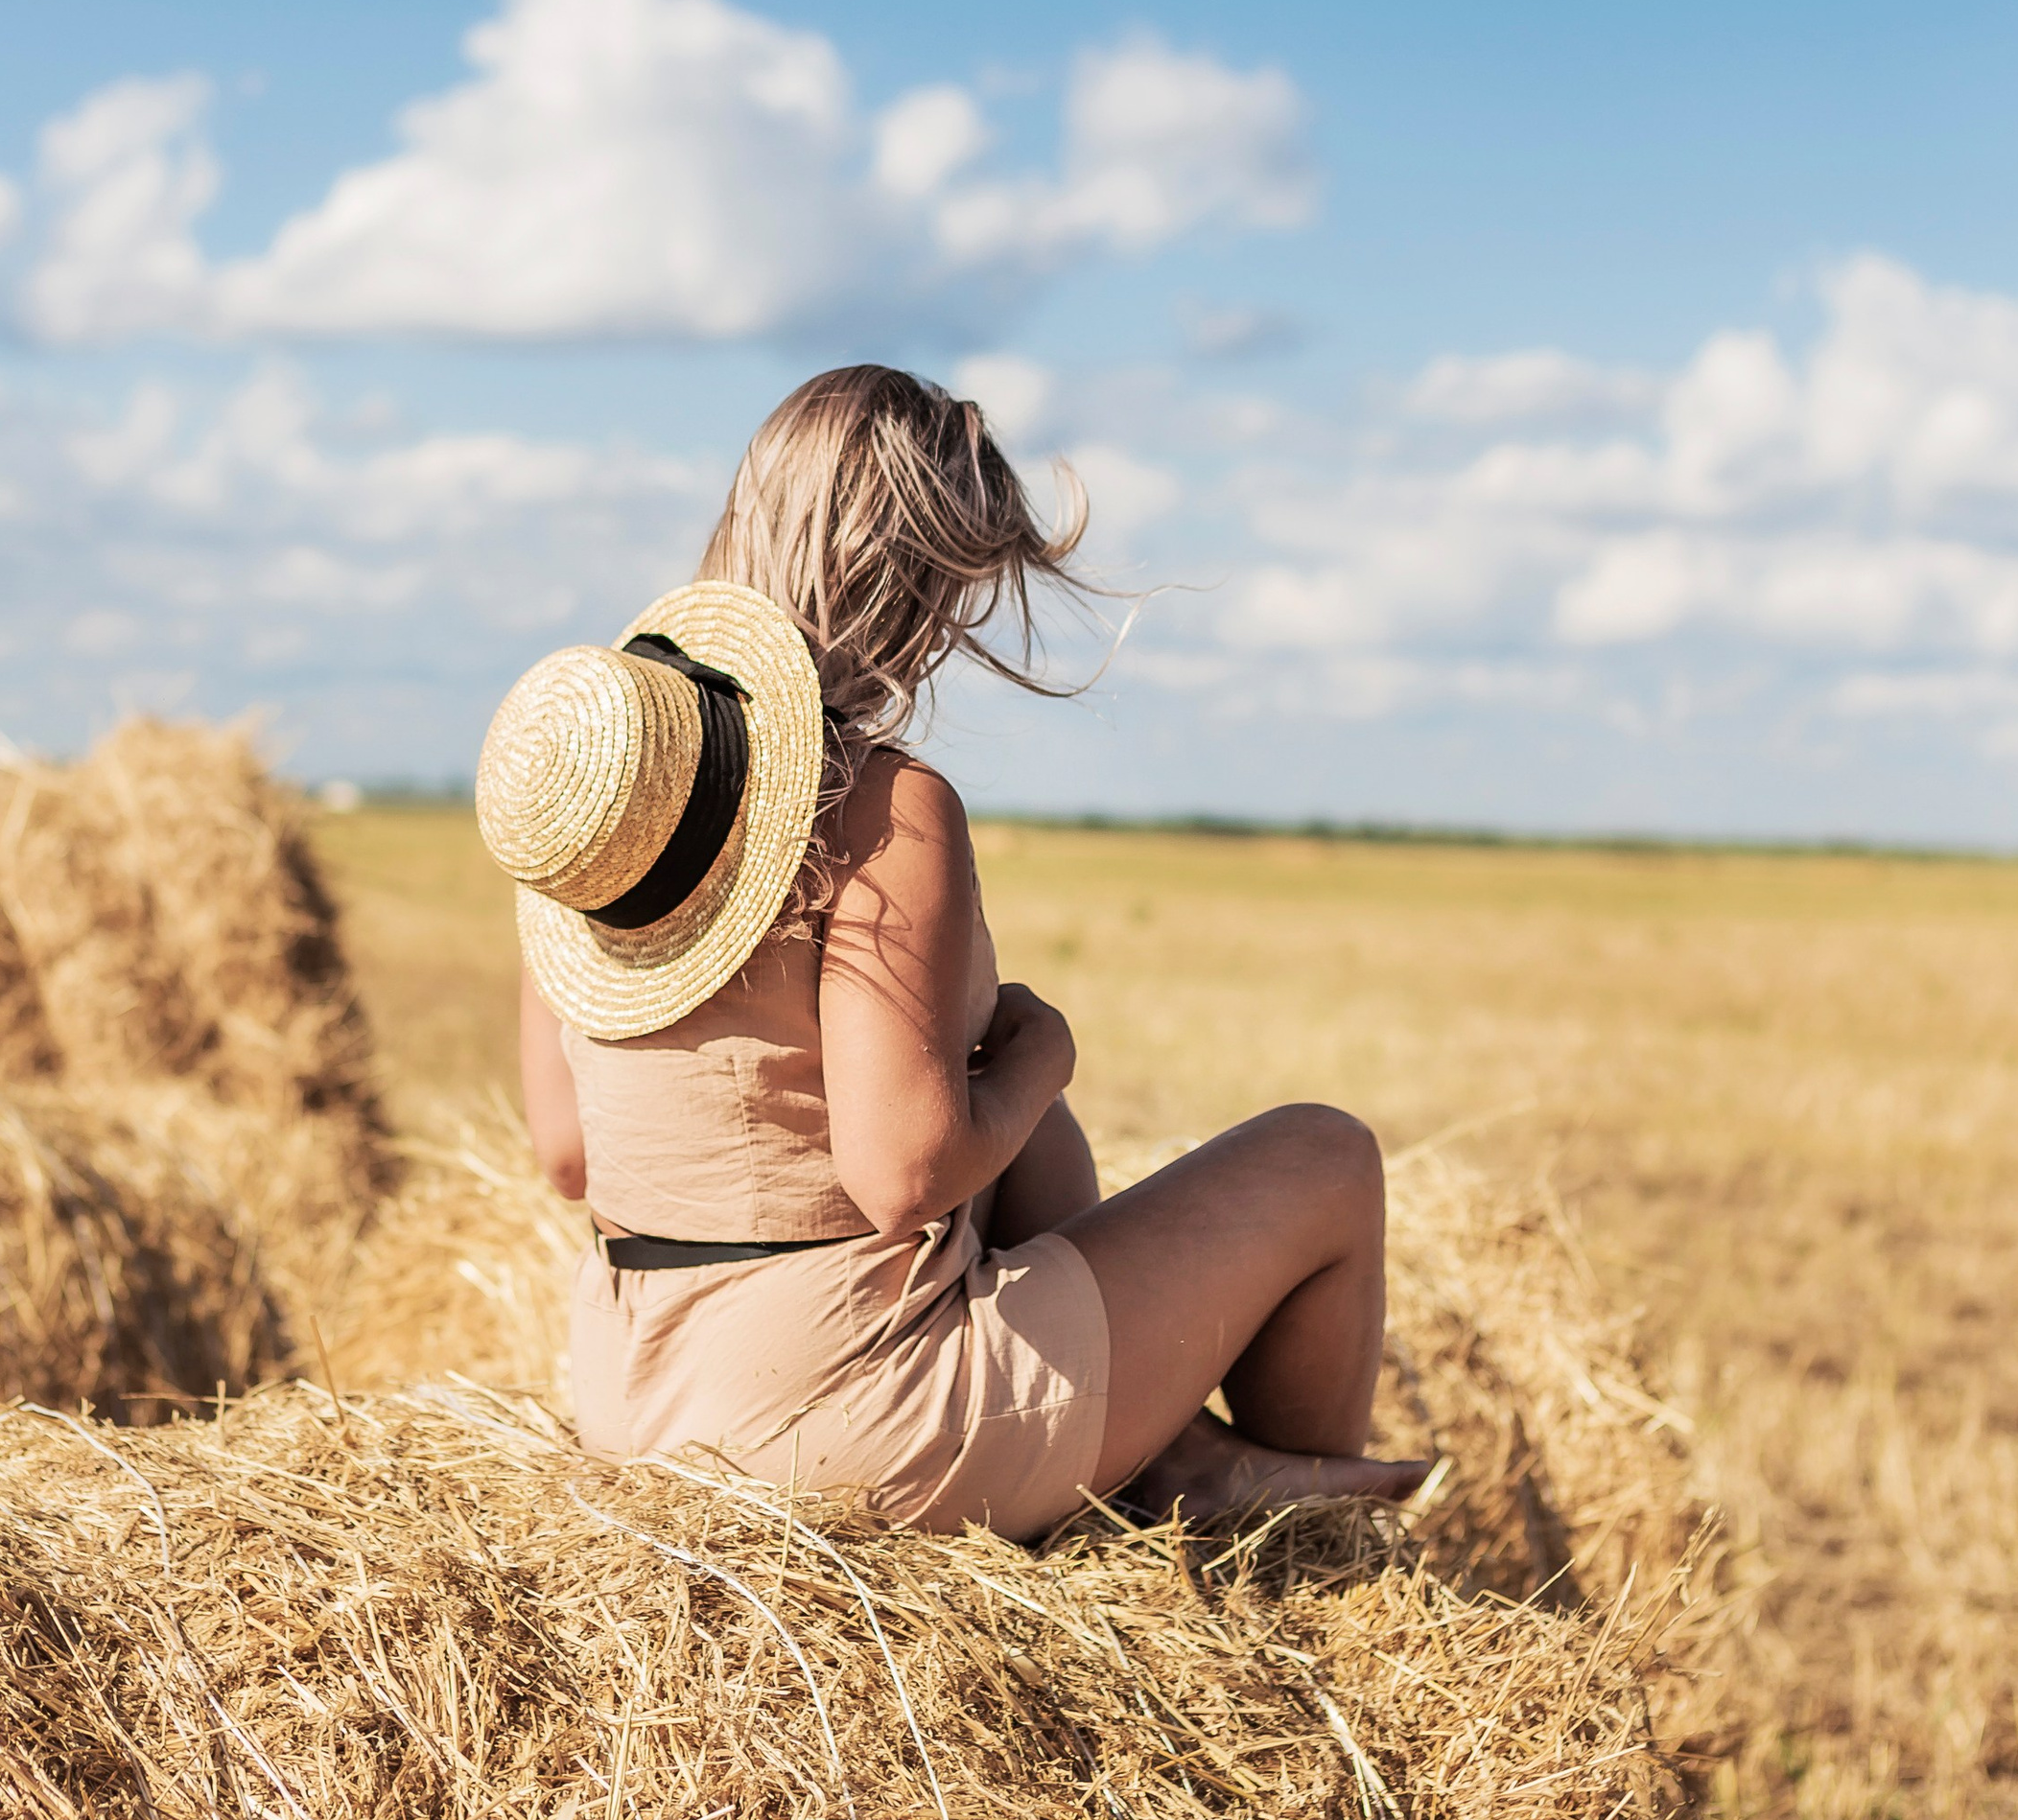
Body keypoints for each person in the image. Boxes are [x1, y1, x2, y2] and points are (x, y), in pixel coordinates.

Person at [478, 363, 1428, 1539]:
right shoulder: (880, 803)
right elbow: (901, 1170)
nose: (946, 635)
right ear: (910, 580)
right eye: (953, 594)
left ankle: (1178, 1450)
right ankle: (1300, 1561)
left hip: (633, 1392)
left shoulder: (602, 801)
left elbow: (567, 1154)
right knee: (1325, 1157)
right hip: (838, 1422)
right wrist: (1044, 1052)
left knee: (1017, 1129)